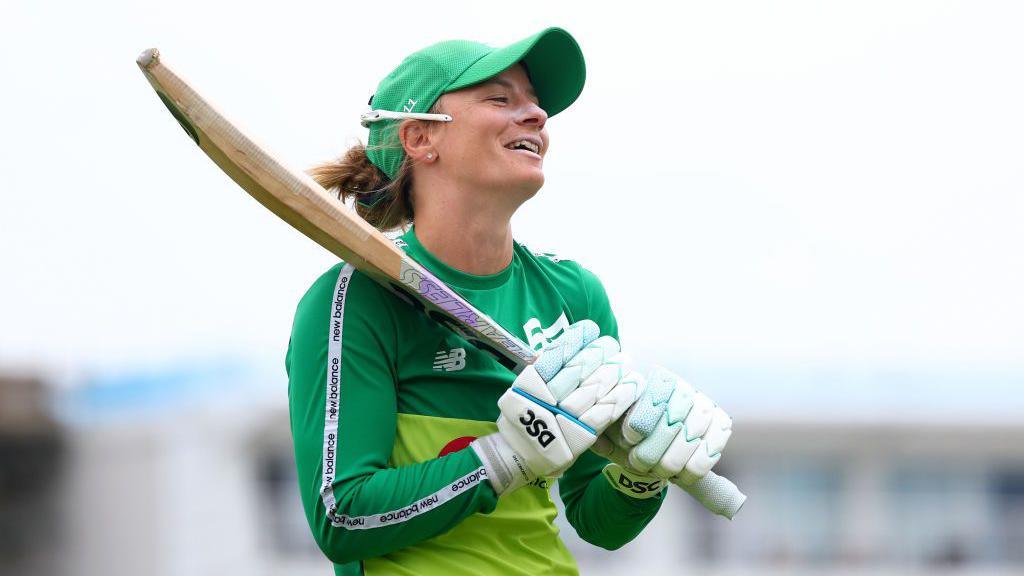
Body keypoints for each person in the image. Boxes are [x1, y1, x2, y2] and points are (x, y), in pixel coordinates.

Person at [286, 27, 733, 576]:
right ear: (420, 138)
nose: (537, 117)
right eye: (500, 99)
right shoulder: (356, 299)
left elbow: (598, 522)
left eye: (536, 105)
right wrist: (506, 456)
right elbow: (343, 517)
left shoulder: (573, 295)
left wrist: (641, 474)